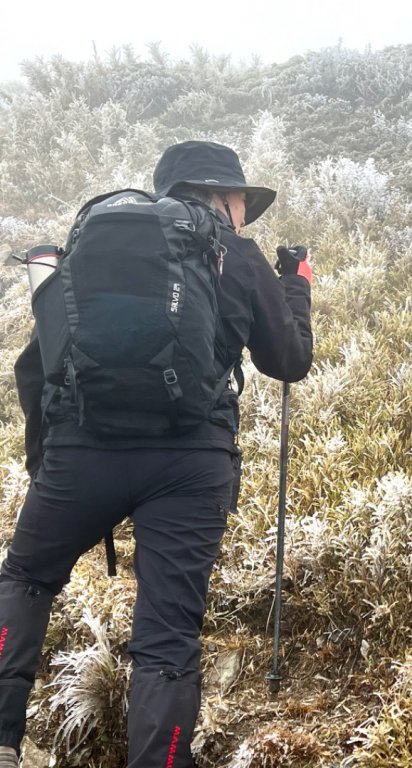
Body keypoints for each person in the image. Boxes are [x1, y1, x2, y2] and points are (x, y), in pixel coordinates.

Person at [0, 141, 313, 767]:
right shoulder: (237, 255)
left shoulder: (96, 251)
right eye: (242, 201)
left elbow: (35, 368)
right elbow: (289, 361)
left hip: (81, 452)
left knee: (26, 579)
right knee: (167, 637)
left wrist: (50, 466)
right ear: (225, 198)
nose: (245, 213)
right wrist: (295, 287)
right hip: (189, 465)